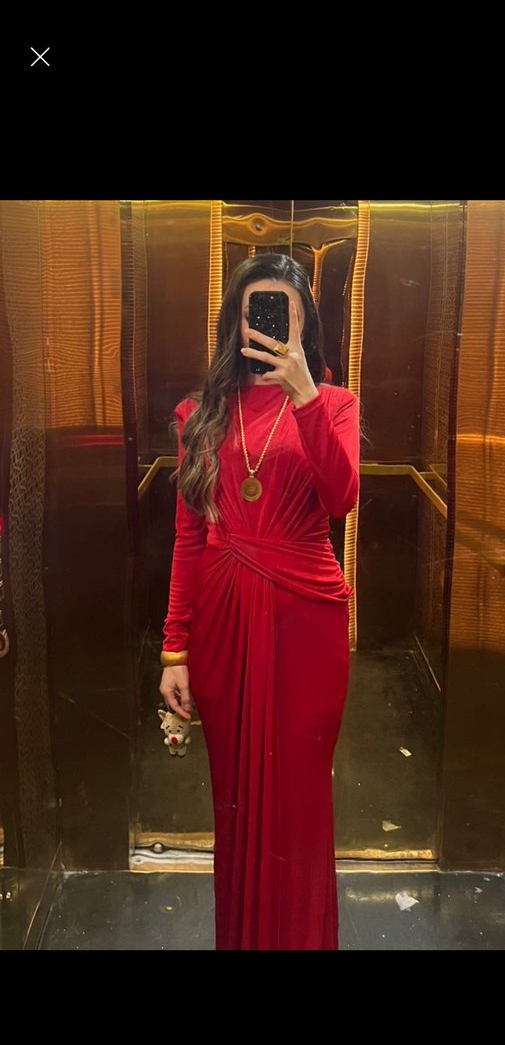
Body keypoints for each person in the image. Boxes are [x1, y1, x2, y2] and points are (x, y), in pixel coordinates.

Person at [159, 253, 360, 950]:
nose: (269, 324)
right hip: (221, 621)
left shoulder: (335, 404)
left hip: (307, 622)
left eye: (284, 311)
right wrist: (174, 650)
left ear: (305, 323)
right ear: (235, 321)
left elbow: (341, 499)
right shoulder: (199, 414)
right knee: (236, 799)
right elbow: (189, 537)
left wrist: (305, 396)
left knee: (299, 795)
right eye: (256, 310)